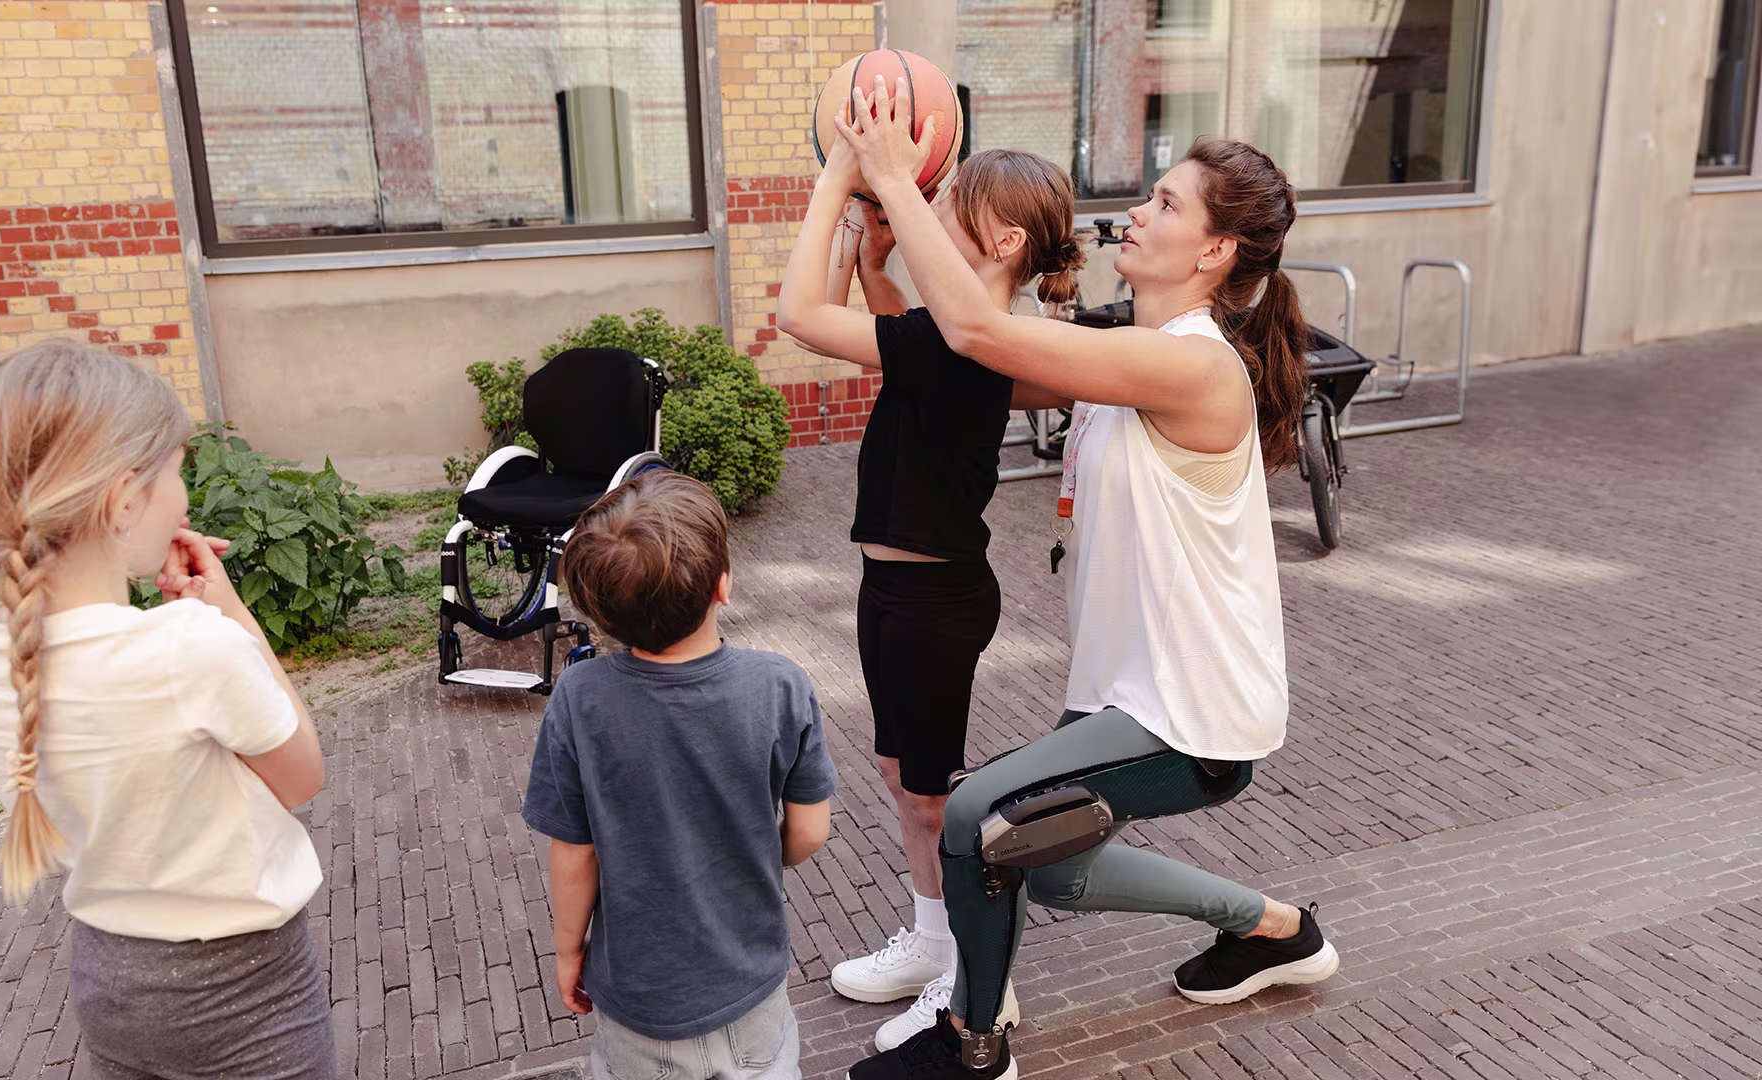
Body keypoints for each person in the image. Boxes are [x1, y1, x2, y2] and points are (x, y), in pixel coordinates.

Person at [833, 79, 1340, 1080]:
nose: (1136, 213)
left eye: (1165, 204)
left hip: (1193, 711)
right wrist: (879, 262)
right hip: (1125, 694)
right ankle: (1276, 930)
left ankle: (975, 1048)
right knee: (1053, 871)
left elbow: (981, 334)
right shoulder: (1128, 354)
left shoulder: (1198, 367)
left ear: (1213, 254)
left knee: (983, 818)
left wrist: (895, 177)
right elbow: (950, 363)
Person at [0, 340, 332, 1079]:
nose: (183, 499)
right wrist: (228, 612)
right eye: (176, 476)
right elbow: (301, 774)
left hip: (108, 971)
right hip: (245, 986)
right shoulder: (189, 647)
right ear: (123, 501)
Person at [775, 136, 1085, 1052]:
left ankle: (972, 973)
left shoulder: (962, 343)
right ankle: (934, 942)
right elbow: (901, 350)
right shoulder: (949, 340)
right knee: (901, 782)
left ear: (999, 242)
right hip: (898, 591)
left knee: (931, 798)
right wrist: (874, 268)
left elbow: (797, 315)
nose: (931, 218)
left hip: (932, 602)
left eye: (950, 209)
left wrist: (839, 179)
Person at [520, 469, 838, 1080]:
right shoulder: (779, 685)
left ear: (601, 610)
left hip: (639, 1004)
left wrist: (568, 952)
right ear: (722, 586)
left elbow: (575, 855)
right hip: (752, 989)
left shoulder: (581, 700)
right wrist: (759, 854)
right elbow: (810, 833)